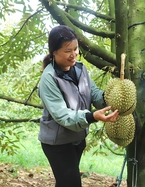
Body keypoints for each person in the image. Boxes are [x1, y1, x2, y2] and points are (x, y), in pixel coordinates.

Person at [38, 25, 119, 187]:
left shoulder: (80, 68)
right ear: (54, 52)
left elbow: (94, 93)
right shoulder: (49, 78)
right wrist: (92, 116)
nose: (74, 54)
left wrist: (112, 96)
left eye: (76, 49)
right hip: (57, 144)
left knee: (65, 183)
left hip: (77, 139)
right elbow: (63, 116)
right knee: (71, 183)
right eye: (68, 50)